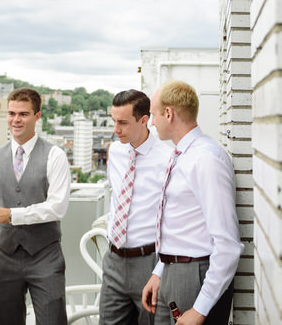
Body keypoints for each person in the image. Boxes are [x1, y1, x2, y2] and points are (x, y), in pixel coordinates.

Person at [141, 81, 242, 325]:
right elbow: (181, 226)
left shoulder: (205, 159)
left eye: (154, 114)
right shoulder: (182, 155)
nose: (152, 122)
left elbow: (227, 243)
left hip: (195, 277)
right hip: (172, 272)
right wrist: (160, 271)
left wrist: (200, 309)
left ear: (168, 113)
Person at [0, 87, 72, 325]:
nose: (16, 120)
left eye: (23, 114)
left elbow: (57, 207)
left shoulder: (55, 155)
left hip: (45, 255)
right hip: (2, 255)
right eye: (11, 113)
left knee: (53, 321)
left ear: (37, 116)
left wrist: (12, 214)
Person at [100, 89, 171, 325]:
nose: (115, 129)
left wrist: (160, 271)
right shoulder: (116, 151)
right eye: (114, 121)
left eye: (123, 122)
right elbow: (117, 196)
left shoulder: (168, 158)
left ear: (144, 120)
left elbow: (172, 219)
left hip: (149, 262)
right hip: (113, 261)